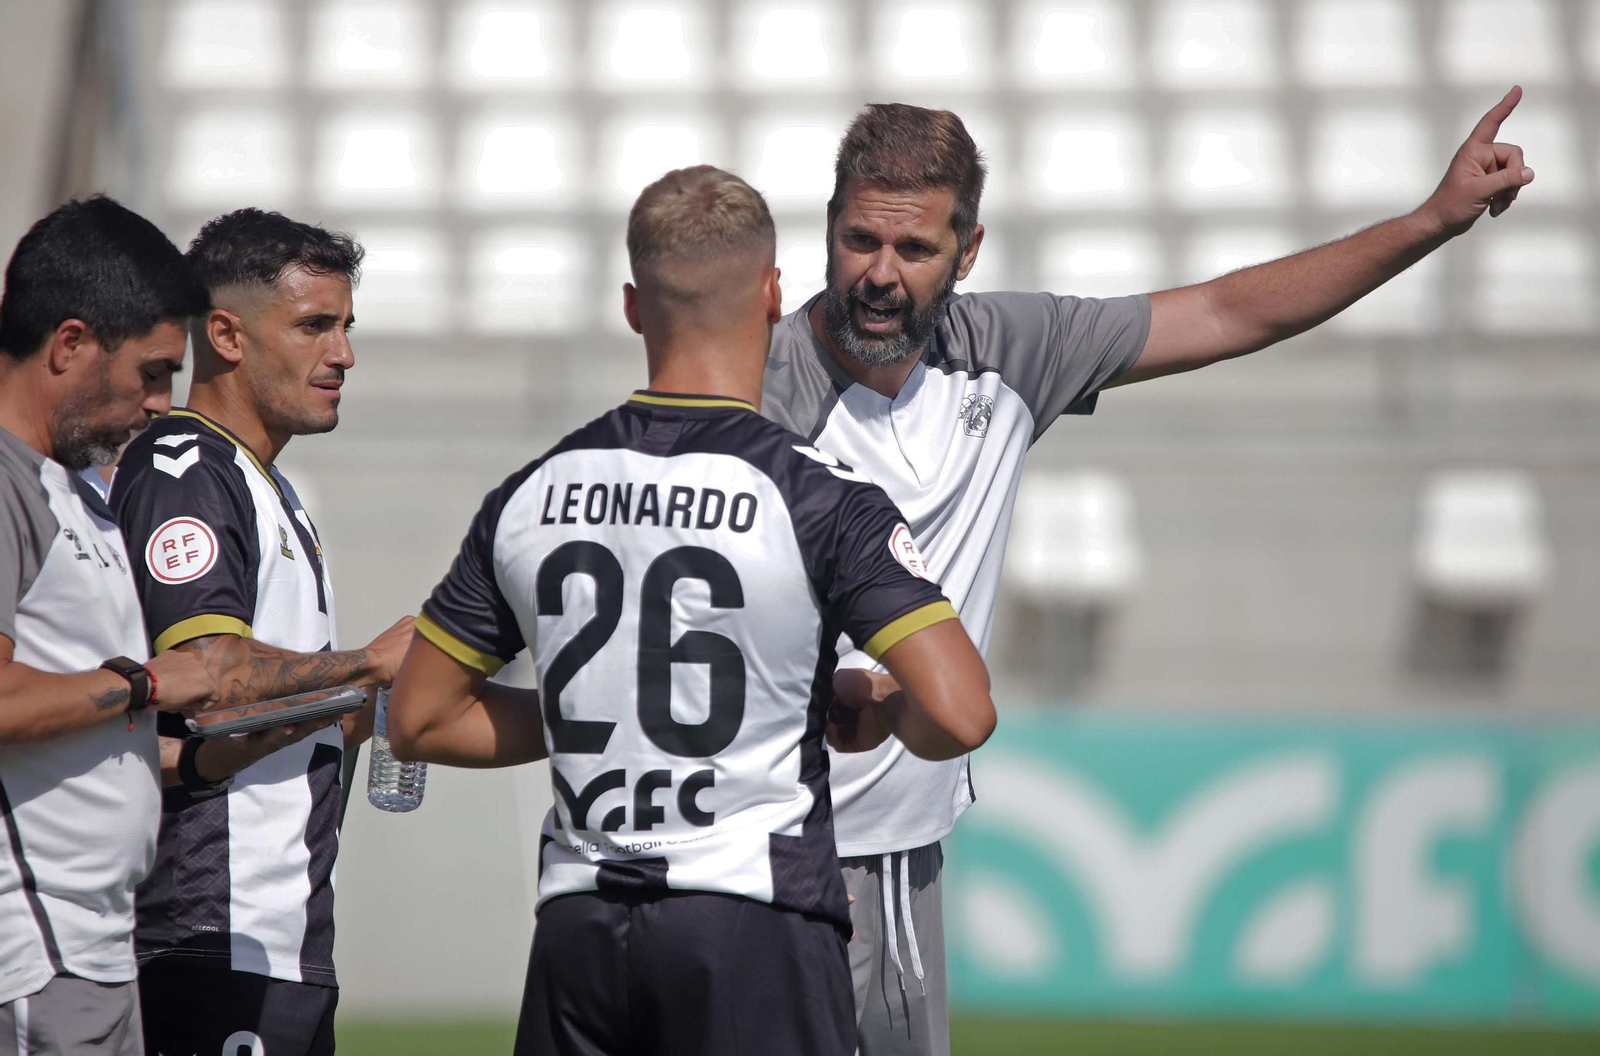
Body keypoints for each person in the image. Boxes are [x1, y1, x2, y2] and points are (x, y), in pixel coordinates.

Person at [762, 92, 1536, 1055]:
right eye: (857, 240)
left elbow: (1224, 310)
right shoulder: (758, 390)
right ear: (828, 228)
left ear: (968, 252)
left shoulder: (1012, 349)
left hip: (902, 855)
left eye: (913, 250)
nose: (879, 275)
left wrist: (1429, 222)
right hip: (771, 855)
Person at [385, 165, 996, 1056]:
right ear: (775, 294)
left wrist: (617, 718)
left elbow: (420, 719)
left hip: (580, 929)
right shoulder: (821, 498)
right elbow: (960, 711)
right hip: (755, 928)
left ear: (634, 307)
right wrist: (886, 711)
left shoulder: (530, 493)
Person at [108, 209, 413, 1056]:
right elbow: (207, 673)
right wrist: (366, 664)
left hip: (277, 939)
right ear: (228, 335)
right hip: (208, 931)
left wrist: (396, 698)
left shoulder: (269, 486)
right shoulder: (186, 468)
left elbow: (286, 698)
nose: (344, 354)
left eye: (347, 326)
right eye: (316, 325)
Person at [0, 196, 218, 1053]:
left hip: (95, 950)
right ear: (70, 344)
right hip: (31, 955)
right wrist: (152, 682)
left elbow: (75, 729)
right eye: (153, 372)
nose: (164, 403)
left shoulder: (74, 491)